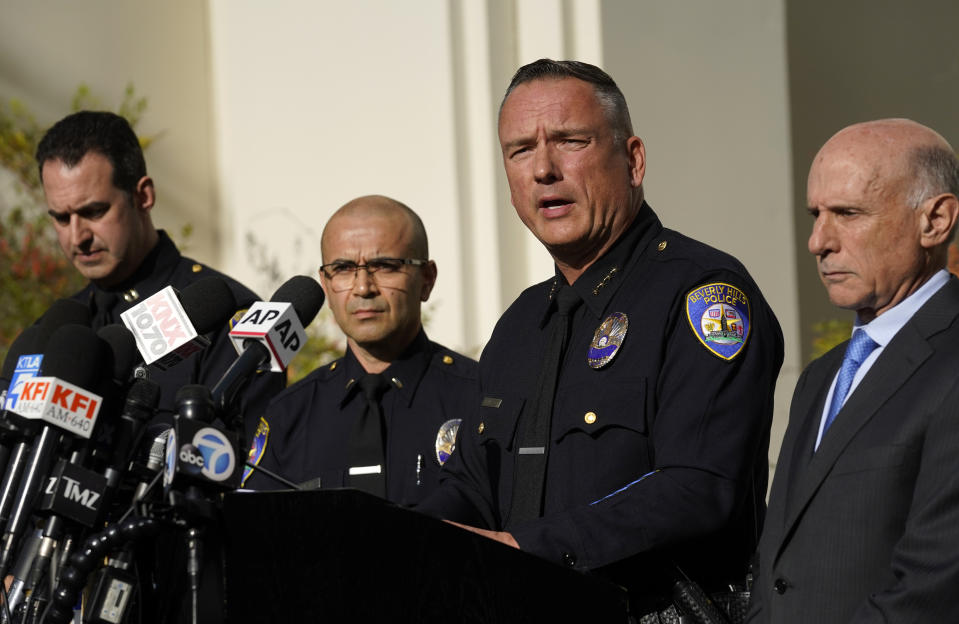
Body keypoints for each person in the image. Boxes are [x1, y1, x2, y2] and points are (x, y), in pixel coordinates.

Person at [417, 59, 784, 618]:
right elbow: (473, 483)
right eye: (520, 150)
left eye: (570, 141)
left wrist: (528, 551)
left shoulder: (703, 294)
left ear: (633, 160)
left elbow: (699, 490)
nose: (543, 169)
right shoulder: (519, 324)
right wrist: (400, 535)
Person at [747, 119, 959, 623]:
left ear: (936, 220)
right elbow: (776, 560)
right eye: (815, 215)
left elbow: (933, 586)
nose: (818, 241)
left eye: (847, 213)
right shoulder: (821, 377)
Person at [35, 110, 284, 441]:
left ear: (143, 196)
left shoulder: (226, 312)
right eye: (61, 218)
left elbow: (246, 468)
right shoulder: (56, 330)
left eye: (94, 211)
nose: (77, 236)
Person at [245, 195, 478, 506]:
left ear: (427, 279)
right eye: (342, 268)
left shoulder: (477, 398)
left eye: (384, 266)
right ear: (325, 286)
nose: (363, 287)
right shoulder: (289, 415)